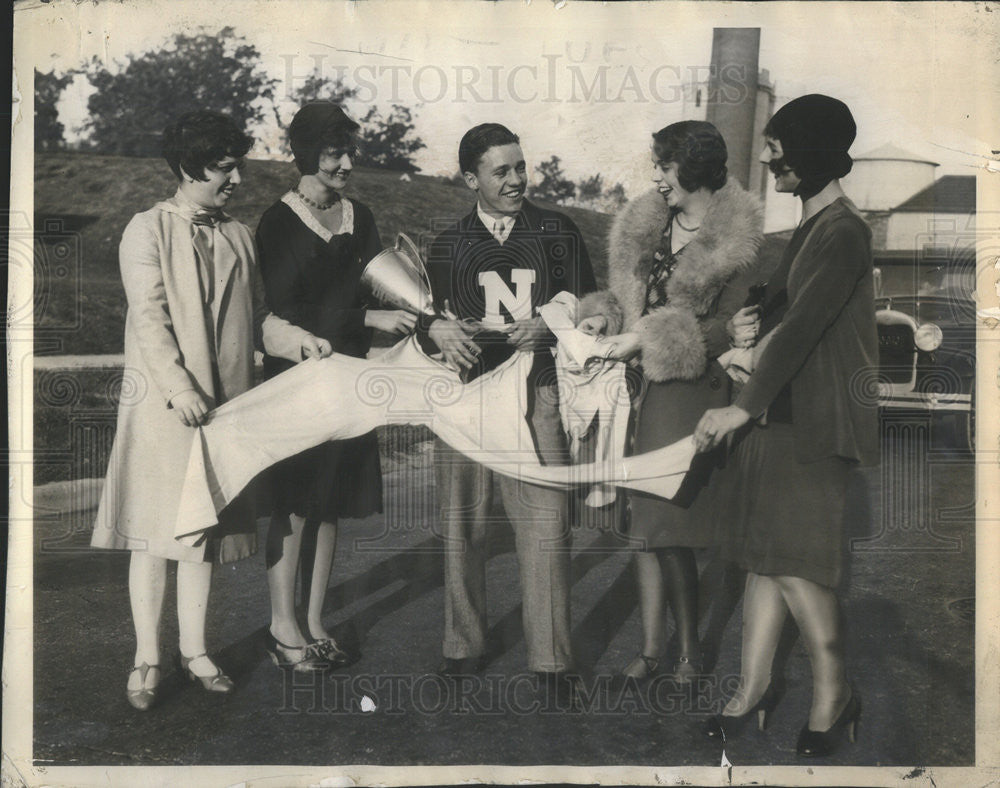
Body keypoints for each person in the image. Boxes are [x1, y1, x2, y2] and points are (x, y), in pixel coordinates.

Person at [91, 110, 331, 710]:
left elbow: (261, 320)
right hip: (162, 410)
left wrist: (299, 341)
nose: (237, 180)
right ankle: (147, 657)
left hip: (221, 412)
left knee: (201, 533)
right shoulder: (146, 230)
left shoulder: (239, 235)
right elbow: (150, 321)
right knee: (154, 537)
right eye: (225, 168)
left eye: (237, 166)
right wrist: (179, 388)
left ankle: (195, 651)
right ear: (188, 167)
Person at [694, 94, 877, 756]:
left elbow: (803, 332)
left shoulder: (843, 231)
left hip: (813, 426)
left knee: (800, 569)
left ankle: (835, 698)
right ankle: (754, 689)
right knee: (762, 563)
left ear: (812, 151)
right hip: (781, 419)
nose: (767, 159)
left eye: (778, 148)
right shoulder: (811, 224)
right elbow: (784, 317)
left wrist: (739, 405)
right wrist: (746, 335)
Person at [575, 120, 764, 683]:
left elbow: (726, 330)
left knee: (668, 523)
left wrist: (644, 340)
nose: (657, 177)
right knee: (640, 526)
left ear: (695, 169)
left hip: (687, 387)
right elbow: (625, 297)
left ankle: (687, 652)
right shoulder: (648, 225)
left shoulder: (739, 245)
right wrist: (601, 315)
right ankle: (653, 647)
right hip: (632, 387)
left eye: (665, 165)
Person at [418, 123, 596, 701]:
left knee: (545, 526)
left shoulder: (557, 231)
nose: (517, 179)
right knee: (461, 528)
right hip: (465, 399)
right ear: (471, 178)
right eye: (502, 170)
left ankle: (551, 661)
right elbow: (424, 325)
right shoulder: (447, 243)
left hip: (536, 394)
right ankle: (461, 645)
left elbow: (597, 309)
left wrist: (552, 325)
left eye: (521, 166)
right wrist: (436, 329)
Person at [256, 101, 415, 672]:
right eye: (333, 152)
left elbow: (381, 286)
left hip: (347, 379)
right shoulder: (277, 222)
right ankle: (282, 626)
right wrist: (365, 321)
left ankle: (315, 619)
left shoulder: (359, 215)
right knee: (295, 503)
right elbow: (287, 308)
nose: (346, 162)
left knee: (329, 506)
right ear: (306, 154)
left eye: (350, 151)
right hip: (297, 379)